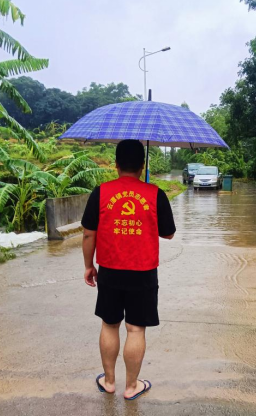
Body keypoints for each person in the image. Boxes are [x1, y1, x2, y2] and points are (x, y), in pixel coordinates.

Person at [81, 140, 176, 400]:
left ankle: (109, 381)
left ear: (116, 164)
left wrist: (89, 265)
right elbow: (168, 233)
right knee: (135, 329)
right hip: (143, 272)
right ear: (142, 165)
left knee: (110, 325)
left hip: (110, 270)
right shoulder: (155, 194)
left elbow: (89, 234)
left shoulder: (100, 192)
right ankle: (132, 386)